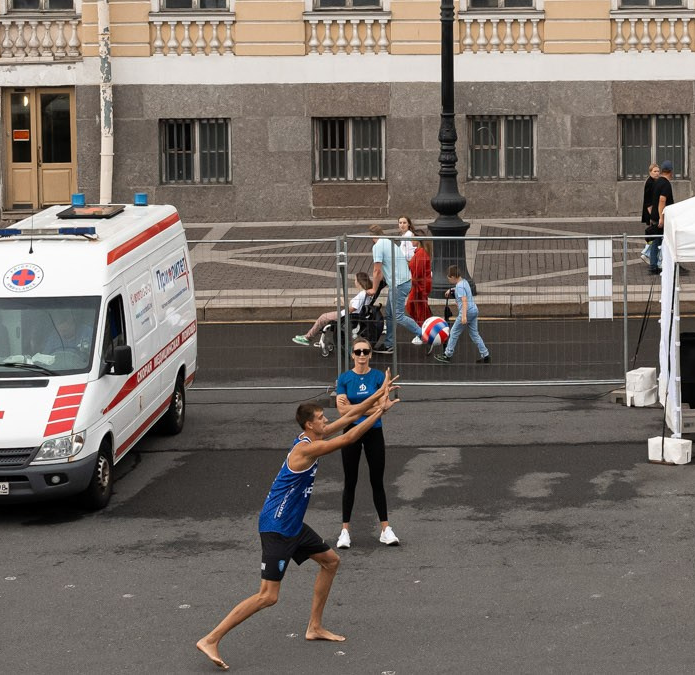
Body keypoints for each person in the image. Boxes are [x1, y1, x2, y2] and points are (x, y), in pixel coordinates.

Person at [196, 382, 397, 670]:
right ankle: (211, 638)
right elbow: (349, 436)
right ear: (309, 424)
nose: (326, 420)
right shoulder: (305, 450)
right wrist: (379, 412)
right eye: (321, 418)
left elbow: (348, 418)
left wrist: (378, 398)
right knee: (268, 596)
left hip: (292, 525)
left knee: (330, 562)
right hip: (276, 527)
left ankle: (314, 627)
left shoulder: (310, 436)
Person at [331, 340, 399, 549]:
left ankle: (385, 530)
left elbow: (380, 407)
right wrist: (375, 406)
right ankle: (345, 532)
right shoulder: (344, 378)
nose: (361, 354)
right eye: (357, 351)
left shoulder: (378, 377)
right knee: (349, 481)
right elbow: (342, 413)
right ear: (352, 355)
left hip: (373, 432)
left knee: (377, 481)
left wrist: (355, 408)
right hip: (351, 433)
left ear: (370, 354)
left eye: (365, 351)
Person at [436, 263, 488, 364]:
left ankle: (447, 354)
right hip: (474, 310)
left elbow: (464, 301)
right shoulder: (464, 282)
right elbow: (462, 290)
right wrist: (451, 290)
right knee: (474, 334)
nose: (448, 280)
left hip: (467, 312)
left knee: (454, 332)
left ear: (453, 277)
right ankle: (485, 354)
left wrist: (463, 316)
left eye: (449, 278)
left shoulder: (459, 287)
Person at [640, 164, 675, 276]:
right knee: (657, 240)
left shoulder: (656, 182)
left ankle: (657, 263)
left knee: (658, 240)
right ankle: (654, 263)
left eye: (658, 171)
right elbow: (660, 201)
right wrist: (660, 217)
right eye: (654, 171)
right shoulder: (661, 184)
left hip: (656, 216)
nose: (656, 173)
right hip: (658, 217)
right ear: (670, 171)